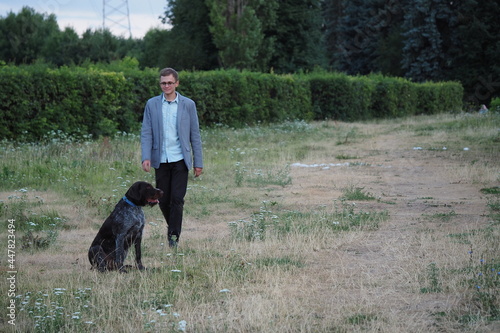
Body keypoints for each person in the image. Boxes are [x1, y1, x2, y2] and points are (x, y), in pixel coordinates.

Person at [141, 67, 203, 248]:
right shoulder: (152, 104)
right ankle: (173, 226)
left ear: (177, 83)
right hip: (160, 160)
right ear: (160, 84)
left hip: (180, 160)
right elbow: (146, 132)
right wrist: (146, 157)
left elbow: (195, 135)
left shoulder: (188, 105)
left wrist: (198, 162)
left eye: (170, 82)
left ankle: (173, 237)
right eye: (163, 83)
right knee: (163, 199)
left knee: (177, 199)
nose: (166, 86)